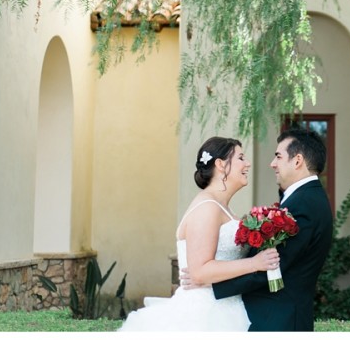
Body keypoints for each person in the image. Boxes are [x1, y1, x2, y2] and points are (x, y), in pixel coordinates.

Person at [119, 137, 279, 332]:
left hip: (227, 307)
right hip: (205, 314)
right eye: (241, 158)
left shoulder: (221, 207)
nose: (247, 163)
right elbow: (200, 272)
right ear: (220, 165)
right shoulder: (207, 208)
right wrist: (255, 263)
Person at [182, 127, 333, 331]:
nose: (272, 164)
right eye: (241, 158)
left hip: (278, 318)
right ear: (220, 165)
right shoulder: (304, 199)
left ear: (297, 161)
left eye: (278, 156)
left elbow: (273, 265)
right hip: (253, 314)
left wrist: (210, 283)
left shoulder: (304, 204)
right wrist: (207, 276)